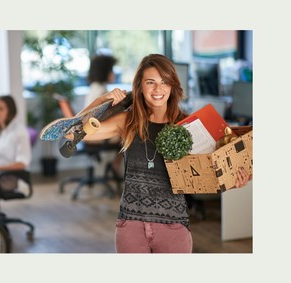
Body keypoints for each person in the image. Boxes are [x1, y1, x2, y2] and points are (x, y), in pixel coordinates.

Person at [68, 54, 251, 253]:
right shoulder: (128, 121)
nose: (158, 89)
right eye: (150, 82)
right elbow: (72, 134)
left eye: (164, 82)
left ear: (172, 86)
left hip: (173, 227)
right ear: (140, 86)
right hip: (131, 227)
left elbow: (207, 177)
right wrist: (101, 100)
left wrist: (232, 180)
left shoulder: (188, 127)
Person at [84, 54, 123, 181]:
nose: (113, 74)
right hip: (95, 134)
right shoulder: (101, 91)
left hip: (90, 132)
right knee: (130, 132)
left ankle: (114, 167)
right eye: (112, 70)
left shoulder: (95, 87)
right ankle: (115, 168)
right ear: (105, 72)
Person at [0, 95, 32, 188]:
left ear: (10, 112)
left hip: (6, 177)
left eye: (1, 109)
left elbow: (22, 164)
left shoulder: (19, 131)